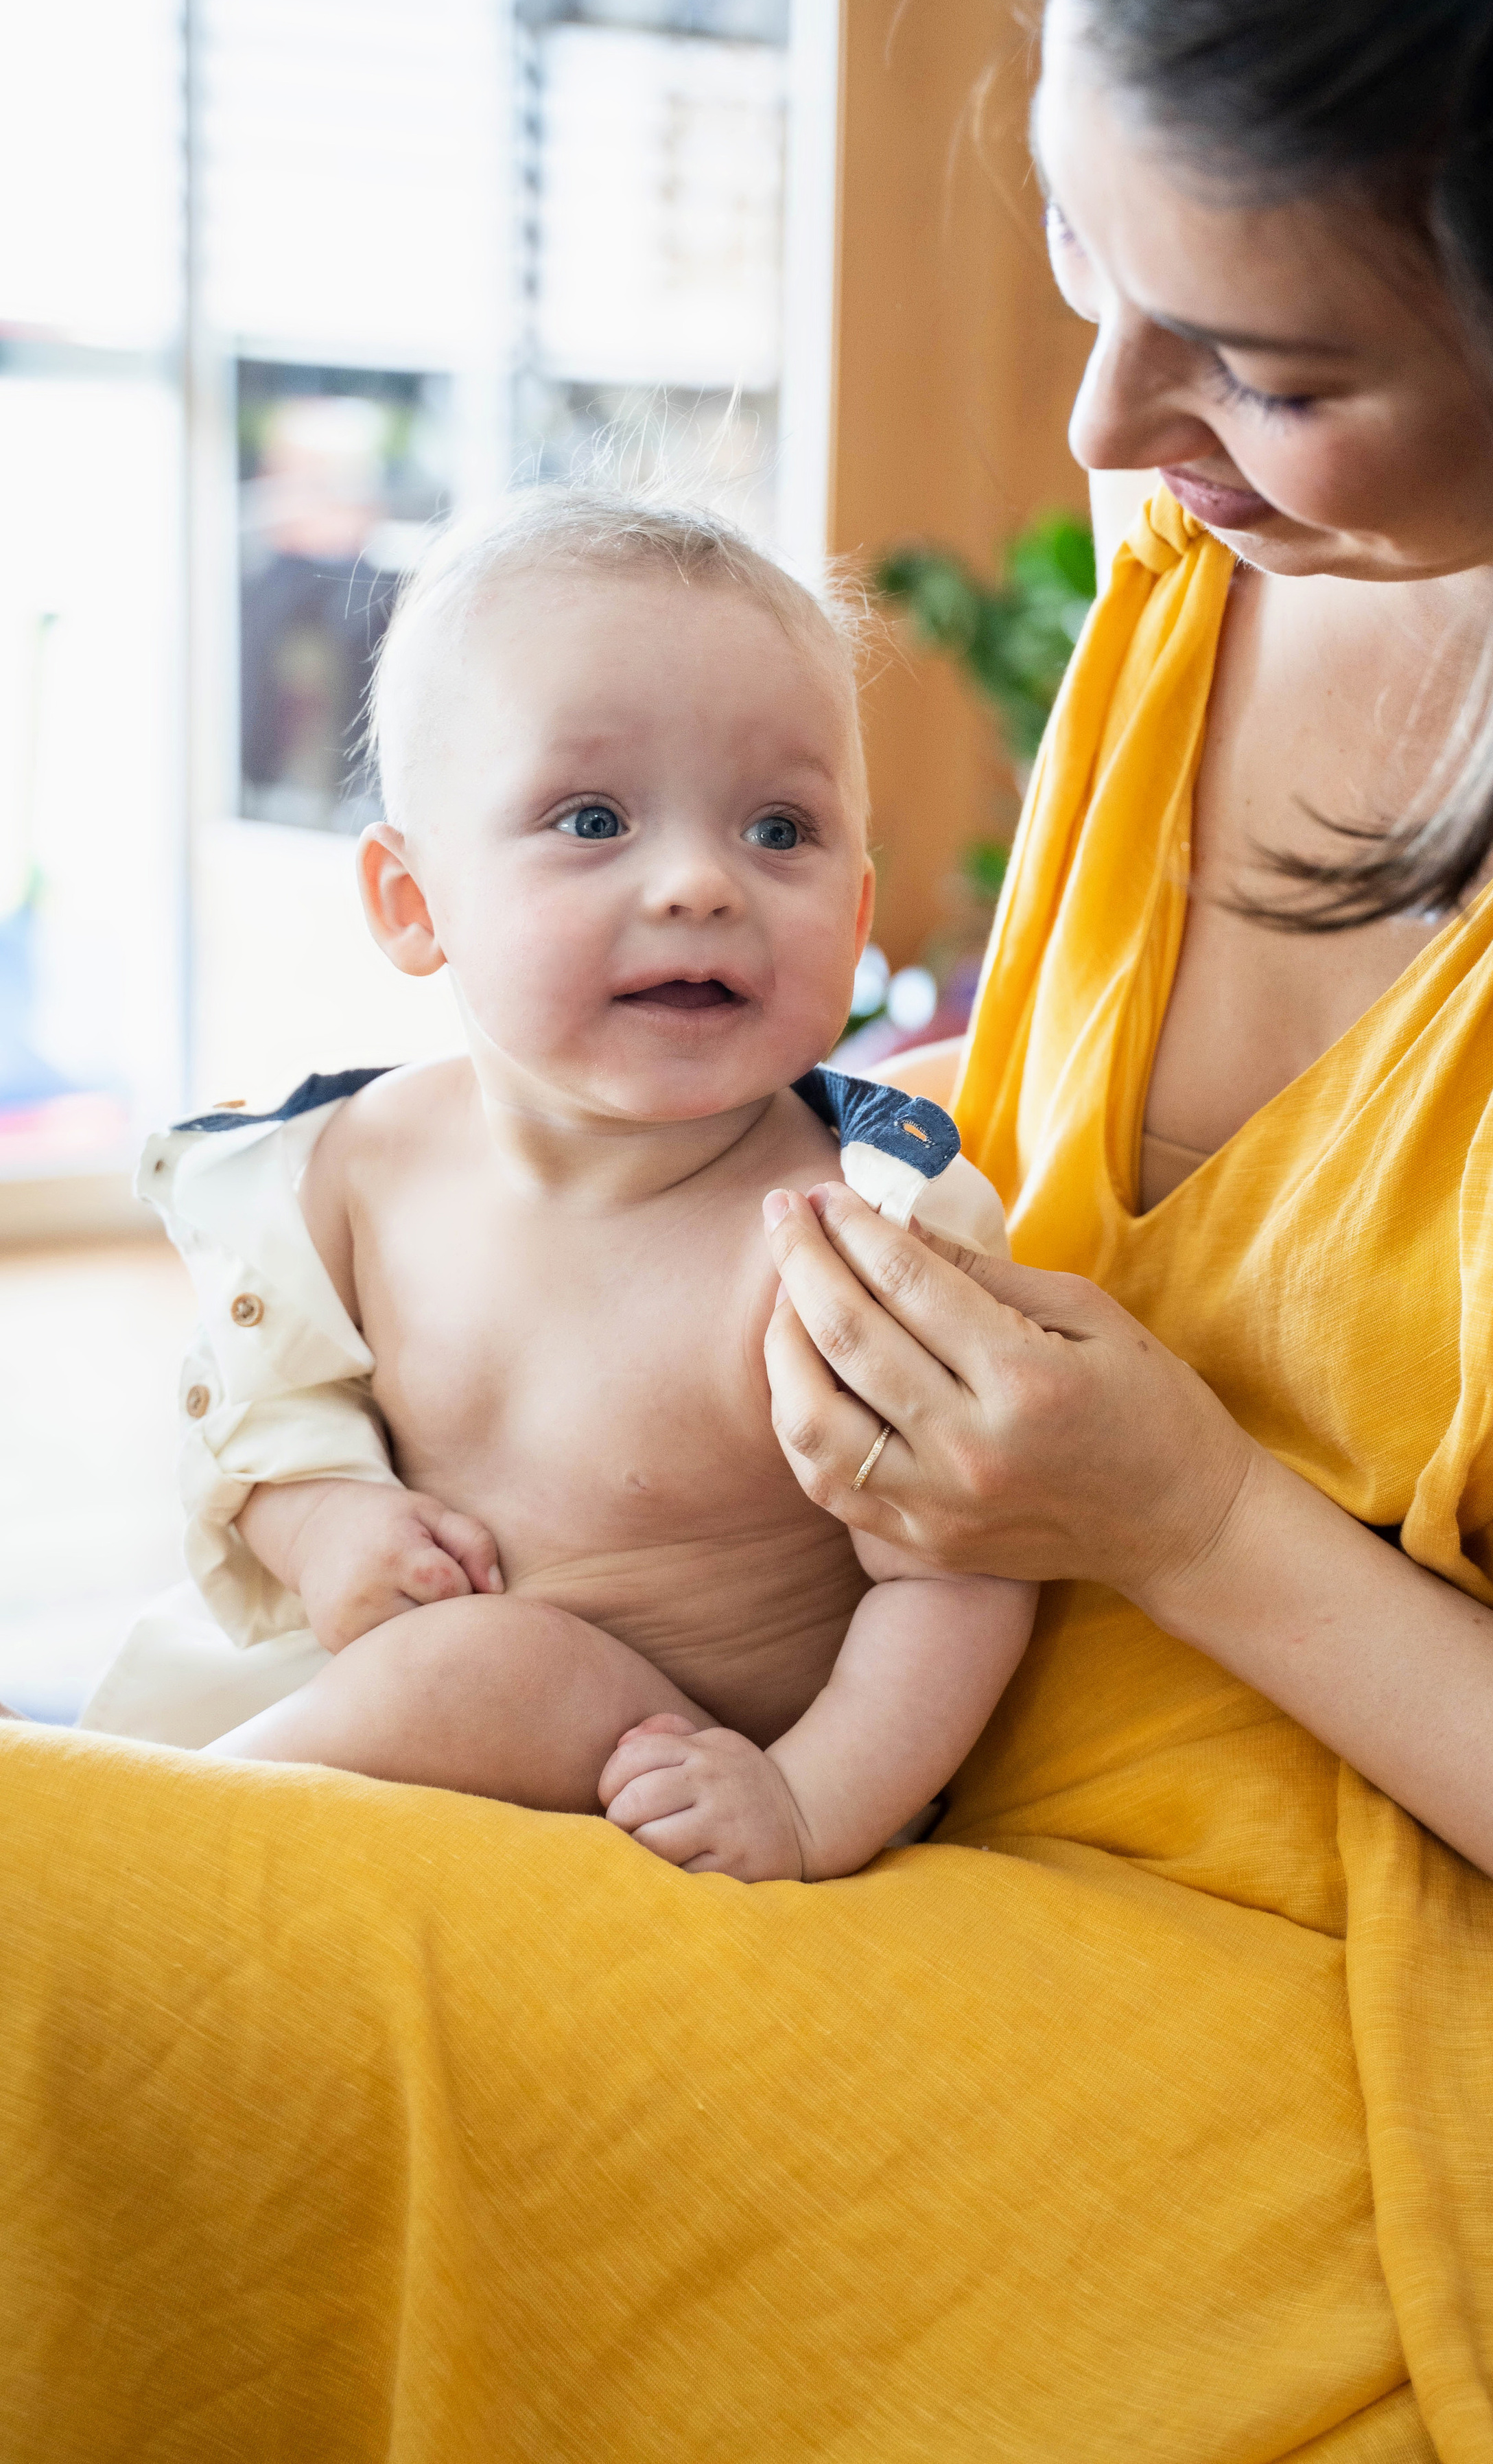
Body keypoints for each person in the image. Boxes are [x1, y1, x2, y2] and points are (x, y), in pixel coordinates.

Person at [5, 0, 1493, 2454]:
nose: (1109, 435)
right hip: (857, 1822)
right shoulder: (1211, 548)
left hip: (1352, 2036)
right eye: (1081, 251)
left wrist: (1186, 1529)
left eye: (1265, 366)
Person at [83, 486, 1030, 1880]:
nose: (702, 883)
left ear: (859, 912)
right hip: (383, 1752)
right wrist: (326, 1517)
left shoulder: (850, 1235)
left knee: (488, 1672)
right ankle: (139, 1864)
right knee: (402, 1680)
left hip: (702, 1787)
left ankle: (131, 1878)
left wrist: (810, 1798)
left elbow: (960, 1571)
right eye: (592, 818)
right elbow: (268, 1418)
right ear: (414, 905)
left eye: (780, 831)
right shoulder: (350, 1167)